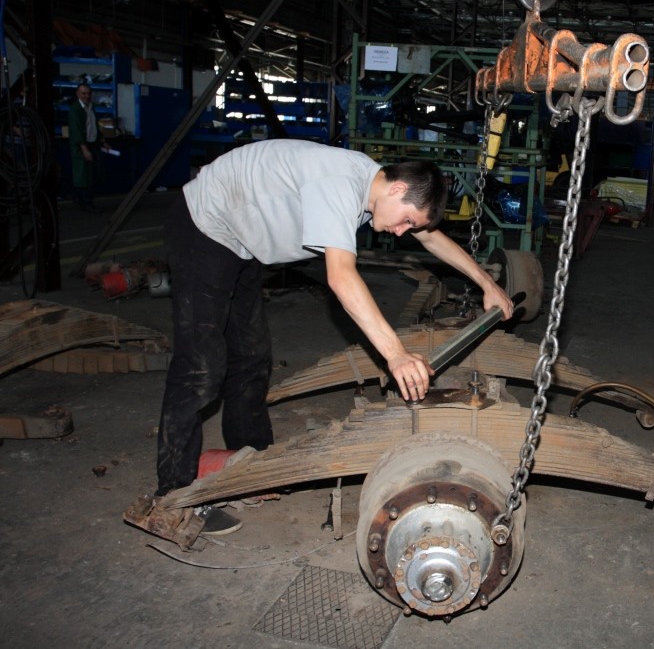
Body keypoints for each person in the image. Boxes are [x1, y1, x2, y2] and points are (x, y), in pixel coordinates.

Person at [155, 139, 514, 535]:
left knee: (252, 358)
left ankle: (250, 465)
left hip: (242, 242)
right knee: (201, 368)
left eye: (408, 227)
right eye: (406, 220)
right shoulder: (338, 184)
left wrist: (487, 283)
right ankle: (171, 498)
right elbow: (341, 277)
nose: (401, 232)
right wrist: (395, 354)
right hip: (204, 227)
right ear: (397, 189)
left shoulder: (373, 188)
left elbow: (430, 237)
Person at [67, 82, 106, 212]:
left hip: (92, 143)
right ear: (78, 94)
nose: (87, 96)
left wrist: (102, 140)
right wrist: (84, 149)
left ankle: (80, 199)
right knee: (84, 176)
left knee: (93, 174)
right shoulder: (75, 110)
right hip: (82, 146)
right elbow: (76, 131)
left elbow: (93, 125)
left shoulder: (90, 107)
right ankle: (86, 203)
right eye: (83, 93)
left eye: (89, 93)